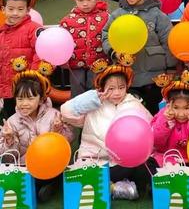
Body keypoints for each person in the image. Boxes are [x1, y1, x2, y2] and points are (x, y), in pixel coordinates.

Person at [61, 63, 152, 200]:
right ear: (102, 88)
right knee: (84, 175)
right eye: (111, 88)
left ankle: (112, 186)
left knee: (145, 165)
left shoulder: (134, 103)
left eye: (121, 88)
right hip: (95, 160)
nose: (116, 93)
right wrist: (92, 98)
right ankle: (115, 188)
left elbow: (150, 128)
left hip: (123, 162)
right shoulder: (92, 105)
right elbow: (66, 112)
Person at [102, 0, 175, 114]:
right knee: (130, 112)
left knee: (153, 112)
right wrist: (114, 53)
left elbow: (168, 41)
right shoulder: (117, 15)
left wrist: (170, 69)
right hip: (128, 77)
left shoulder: (157, 15)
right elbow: (106, 34)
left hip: (154, 76)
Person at [0, 69, 74, 202]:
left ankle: (50, 184)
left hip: (51, 164)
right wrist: (9, 139)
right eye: (20, 98)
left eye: (30, 98)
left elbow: (68, 141)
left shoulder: (53, 115)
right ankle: (42, 188)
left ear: (41, 99)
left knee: (53, 174)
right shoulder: (12, 122)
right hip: (26, 167)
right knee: (19, 180)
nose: (24, 103)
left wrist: (58, 130)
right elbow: (8, 158)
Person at [59, 0, 110, 97]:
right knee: (78, 97)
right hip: (75, 66)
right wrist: (63, 60)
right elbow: (60, 44)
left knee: (98, 94)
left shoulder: (107, 17)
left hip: (100, 64)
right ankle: (78, 118)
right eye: (80, 0)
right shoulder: (67, 21)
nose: (85, 3)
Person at [0, 0, 42, 117]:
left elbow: (41, 52)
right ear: (3, 9)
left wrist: (32, 76)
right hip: (7, 88)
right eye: (10, 9)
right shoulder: (1, 32)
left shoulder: (33, 29)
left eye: (20, 9)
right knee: (10, 119)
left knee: (30, 119)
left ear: (28, 10)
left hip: (27, 88)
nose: (15, 13)